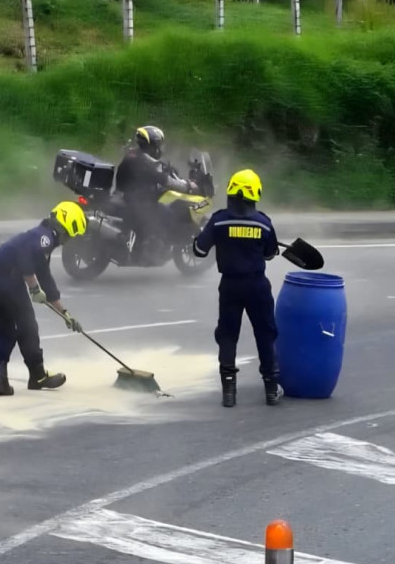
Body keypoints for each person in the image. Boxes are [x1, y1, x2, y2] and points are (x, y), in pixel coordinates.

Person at [192, 168, 281, 408]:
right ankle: (271, 389)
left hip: (230, 286)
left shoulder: (219, 220)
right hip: (257, 286)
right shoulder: (264, 223)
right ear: (255, 193)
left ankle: (229, 392)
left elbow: (199, 250)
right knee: (265, 334)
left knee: (228, 335)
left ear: (231, 191)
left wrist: (200, 232)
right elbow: (270, 254)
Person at [0, 201, 86, 396]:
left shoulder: (38, 237)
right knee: (27, 326)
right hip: (7, 280)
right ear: (66, 227)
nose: (69, 241)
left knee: (7, 331)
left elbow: (46, 280)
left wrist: (65, 314)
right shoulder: (45, 238)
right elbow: (25, 258)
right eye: (72, 235)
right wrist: (34, 288)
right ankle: (37, 375)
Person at [114, 125, 199, 262]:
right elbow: (166, 181)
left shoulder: (134, 155)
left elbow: (158, 172)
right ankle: (153, 247)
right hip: (141, 203)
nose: (160, 148)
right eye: (158, 145)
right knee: (169, 217)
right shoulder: (143, 163)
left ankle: (149, 244)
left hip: (129, 197)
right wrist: (188, 187)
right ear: (151, 145)